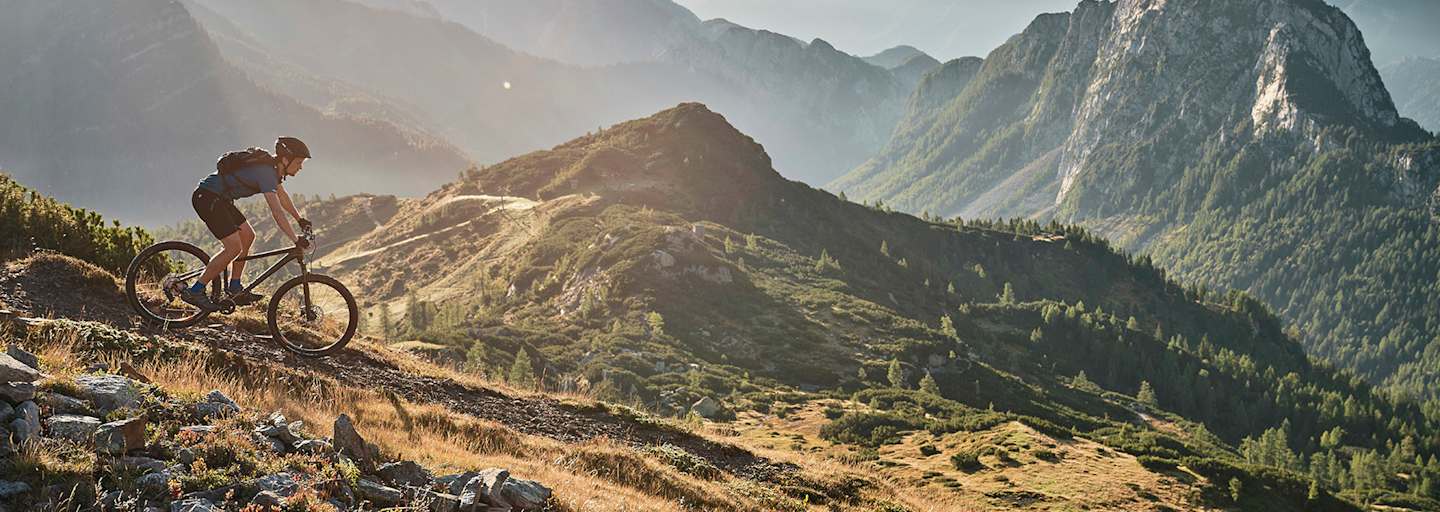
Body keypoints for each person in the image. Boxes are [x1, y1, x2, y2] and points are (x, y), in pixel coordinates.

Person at [180, 137, 313, 310]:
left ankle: (235, 288)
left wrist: (299, 219)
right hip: (207, 197)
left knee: (248, 236)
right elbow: (276, 210)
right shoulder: (266, 173)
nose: (301, 167)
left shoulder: (273, 171)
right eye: (299, 162)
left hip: (221, 199)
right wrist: (295, 239)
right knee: (233, 248)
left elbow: (283, 198)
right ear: (286, 160)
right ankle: (196, 291)